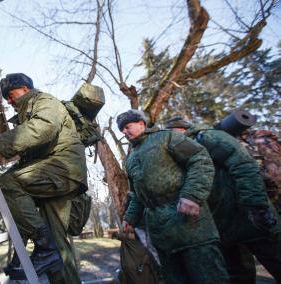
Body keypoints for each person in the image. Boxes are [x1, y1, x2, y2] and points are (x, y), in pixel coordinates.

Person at [0, 73, 87, 283]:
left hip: (63, 169)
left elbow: (43, 129)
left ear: (25, 89)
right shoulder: (28, 113)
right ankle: (45, 253)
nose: (9, 100)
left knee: (8, 185)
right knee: (58, 248)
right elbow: (28, 161)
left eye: (11, 94)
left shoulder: (44, 101)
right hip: (57, 172)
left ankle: (44, 247)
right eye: (5, 97)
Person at [117, 109, 229, 284]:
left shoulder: (166, 137)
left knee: (210, 277)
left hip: (190, 226)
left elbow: (199, 158)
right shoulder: (130, 159)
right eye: (121, 130)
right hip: (161, 234)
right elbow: (137, 194)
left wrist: (192, 195)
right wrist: (130, 218)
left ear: (141, 124)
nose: (124, 132)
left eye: (127, 126)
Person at [165, 116, 281, 283]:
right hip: (224, 228)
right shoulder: (181, 154)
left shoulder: (207, 137)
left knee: (276, 260)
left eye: (173, 133)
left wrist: (257, 206)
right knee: (238, 276)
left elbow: (244, 165)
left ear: (183, 129)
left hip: (251, 217)